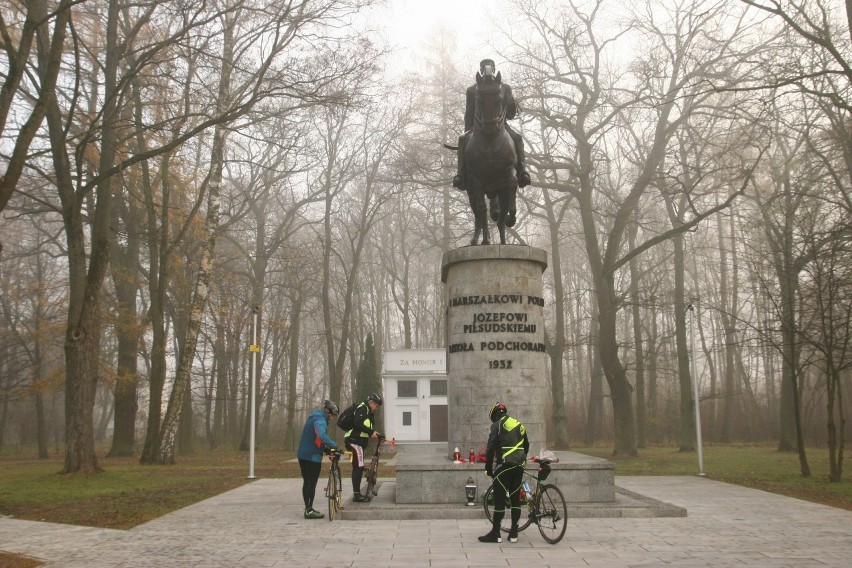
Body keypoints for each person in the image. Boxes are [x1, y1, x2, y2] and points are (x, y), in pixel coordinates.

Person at [453, 58, 531, 190]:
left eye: (489, 66)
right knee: (462, 139)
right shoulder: (472, 90)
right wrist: (468, 132)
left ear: (494, 69)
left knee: (518, 138)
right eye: (484, 66)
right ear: (481, 70)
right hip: (478, 129)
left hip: (501, 127)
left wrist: (511, 101)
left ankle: (522, 172)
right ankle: (461, 174)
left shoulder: (505, 88)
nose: (487, 69)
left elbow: (510, 115)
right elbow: (469, 113)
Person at [479, 402, 529, 544]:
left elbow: (490, 449)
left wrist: (488, 468)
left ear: (494, 415)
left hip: (504, 467)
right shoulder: (519, 424)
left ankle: (496, 533)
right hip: (519, 466)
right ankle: (514, 533)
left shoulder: (497, 425)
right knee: (515, 499)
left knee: (500, 501)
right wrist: (520, 460)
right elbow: (526, 445)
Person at [297, 399, 339, 519]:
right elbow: (321, 435)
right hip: (312, 457)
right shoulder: (321, 420)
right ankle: (309, 511)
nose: (333, 418)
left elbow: (316, 439)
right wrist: (333, 445)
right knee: (312, 482)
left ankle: (308, 508)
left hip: (302, 455)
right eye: (333, 415)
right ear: (328, 412)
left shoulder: (314, 417)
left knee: (307, 481)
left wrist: (325, 449)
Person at [344, 392, 383, 502]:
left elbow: (363, 428)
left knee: (357, 466)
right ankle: (357, 495)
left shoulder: (367, 411)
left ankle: (356, 493)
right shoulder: (363, 408)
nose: (376, 408)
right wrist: (371, 432)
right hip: (354, 441)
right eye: (376, 405)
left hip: (356, 441)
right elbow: (358, 423)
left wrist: (373, 433)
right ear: (371, 402)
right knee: (359, 466)